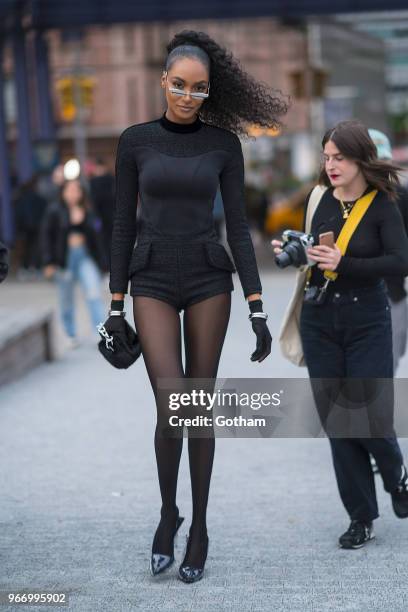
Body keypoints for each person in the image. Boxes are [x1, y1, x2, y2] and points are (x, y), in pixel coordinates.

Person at [105, 29, 287, 583]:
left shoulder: (222, 145)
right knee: (170, 406)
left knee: (198, 408)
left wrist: (257, 306)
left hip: (209, 276)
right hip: (152, 277)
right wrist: (115, 304)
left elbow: (237, 225)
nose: (188, 96)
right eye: (179, 85)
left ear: (210, 92)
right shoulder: (134, 141)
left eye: (199, 89)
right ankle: (168, 515)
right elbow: (120, 224)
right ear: (163, 82)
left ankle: (200, 528)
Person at [273, 120, 408, 549]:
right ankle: (361, 517)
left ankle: (396, 473)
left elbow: (400, 263)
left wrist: (343, 262)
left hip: (368, 319)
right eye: (326, 157)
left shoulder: (384, 203)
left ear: (360, 159)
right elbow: (312, 250)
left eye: (339, 158)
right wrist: (294, 251)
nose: (330, 165)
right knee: (338, 423)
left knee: (368, 417)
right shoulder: (318, 198)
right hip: (320, 321)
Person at [41, 178, 107, 348]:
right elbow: (46, 237)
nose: (72, 193)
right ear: (62, 193)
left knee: (93, 294)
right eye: (69, 190)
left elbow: (98, 235)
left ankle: (100, 333)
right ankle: (71, 334)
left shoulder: (88, 210)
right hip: (64, 259)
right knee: (66, 299)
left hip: (84, 257)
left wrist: (83, 220)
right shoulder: (54, 211)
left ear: (82, 193)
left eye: (76, 190)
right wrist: (48, 262)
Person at [368, 129, 408, 374]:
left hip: (393, 294)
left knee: (389, 360)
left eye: (384, 162)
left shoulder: (402, 195)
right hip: (356, 298)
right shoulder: (340, 198)